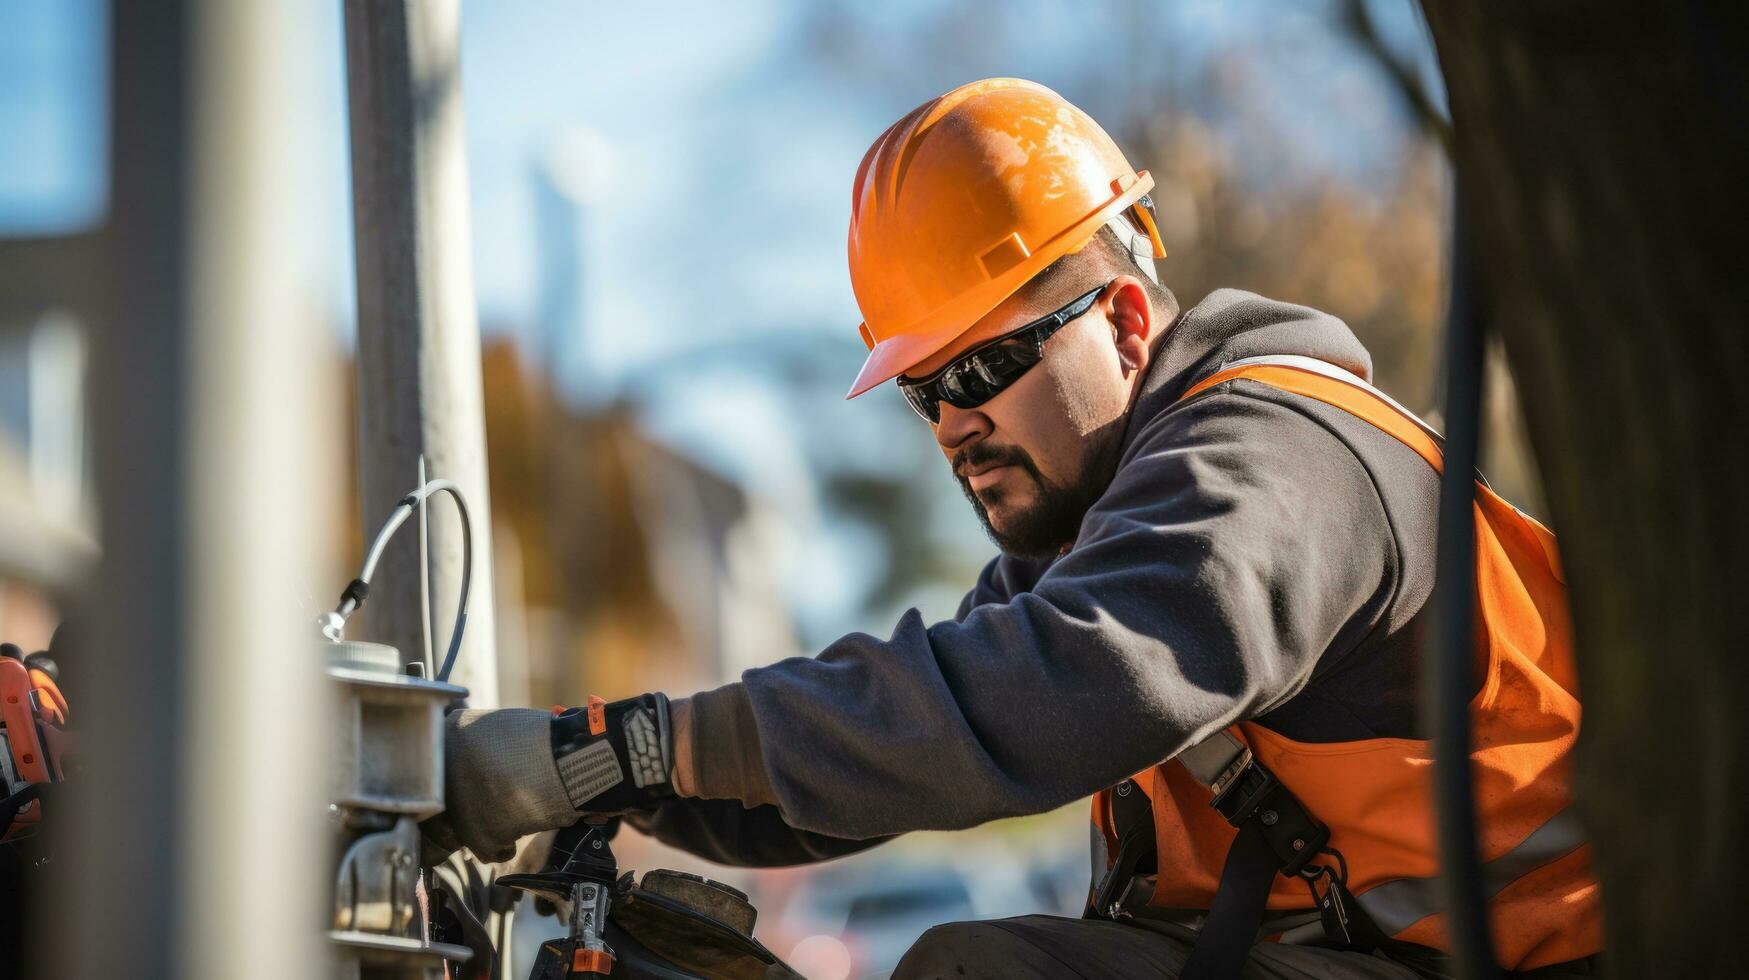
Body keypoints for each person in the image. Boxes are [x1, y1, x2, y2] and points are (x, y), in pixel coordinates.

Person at [428, 78, 1603, 978]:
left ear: (1130, 321)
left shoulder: (1276, 459)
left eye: (987, 363)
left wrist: (643, 743)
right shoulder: (1101, 530)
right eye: (924, 387)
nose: (954, 422)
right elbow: (885, 751)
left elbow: (1024, 695)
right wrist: (606, 780)